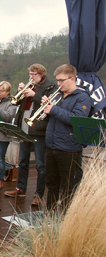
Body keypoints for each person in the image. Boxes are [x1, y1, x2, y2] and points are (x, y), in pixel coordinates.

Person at [4, 64, 58, 206]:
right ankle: (20, 188)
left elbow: (48, 103)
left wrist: (35, 95)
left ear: (41, 74)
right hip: (24, 127)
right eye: (30, 74)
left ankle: (39, 194)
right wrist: (20, 92)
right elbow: (17, 103)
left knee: (41, 164)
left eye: (34, 74)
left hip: (39, 129)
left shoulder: (49, 87)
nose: (31, 77)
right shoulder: (30, 86)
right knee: (22, 161)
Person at [43, 64, 91, 211]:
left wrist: (54, 109)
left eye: (62, 80)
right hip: (51, 146)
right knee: (51, 185)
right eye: (57, 80)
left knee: (68, 186)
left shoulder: (83, 98)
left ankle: (66, 217)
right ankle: (49, 215)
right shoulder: (58, 95)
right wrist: (46, 108)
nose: (59, 84)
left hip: (69, 149)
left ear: (72, 79)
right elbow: (50, 119)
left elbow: (77, 119)